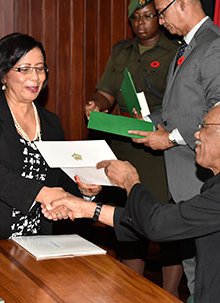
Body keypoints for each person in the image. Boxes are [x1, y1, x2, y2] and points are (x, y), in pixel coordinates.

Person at [43, 99, 220, 303]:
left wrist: (131, 182)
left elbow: (159, 225)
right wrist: (85, 209)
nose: (196, 133)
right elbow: (167, 221)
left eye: (204, 127)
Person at [127, 0, 220, 292]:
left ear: (181, 3)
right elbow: (180, 111)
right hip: (183, 182)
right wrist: (148, 122)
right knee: (195, 275)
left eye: (160, 12)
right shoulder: (187, 45)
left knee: (208, 279)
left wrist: (169, 138)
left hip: (201, 182)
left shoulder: (217, 46)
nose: (159, 20)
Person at [0, 33, 100, 241]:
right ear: (3, 74)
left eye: (40, 68)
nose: (35, 77)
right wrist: (41, 193)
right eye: (24, 69)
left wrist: (84, 190)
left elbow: (59, 178)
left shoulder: (51, 123)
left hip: (33, 238)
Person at [84, 0, 183, 296]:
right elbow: (106, 93)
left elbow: (180, 103)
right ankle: (130, 292)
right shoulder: (121, 51)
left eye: (148, 16)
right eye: (135, 18)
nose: (141, 23)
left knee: (166, 221)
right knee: (128, 219)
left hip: (160, 148)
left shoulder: (176, 50)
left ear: (159, 17)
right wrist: (96, 105)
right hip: (126, 145)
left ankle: (170, 294)